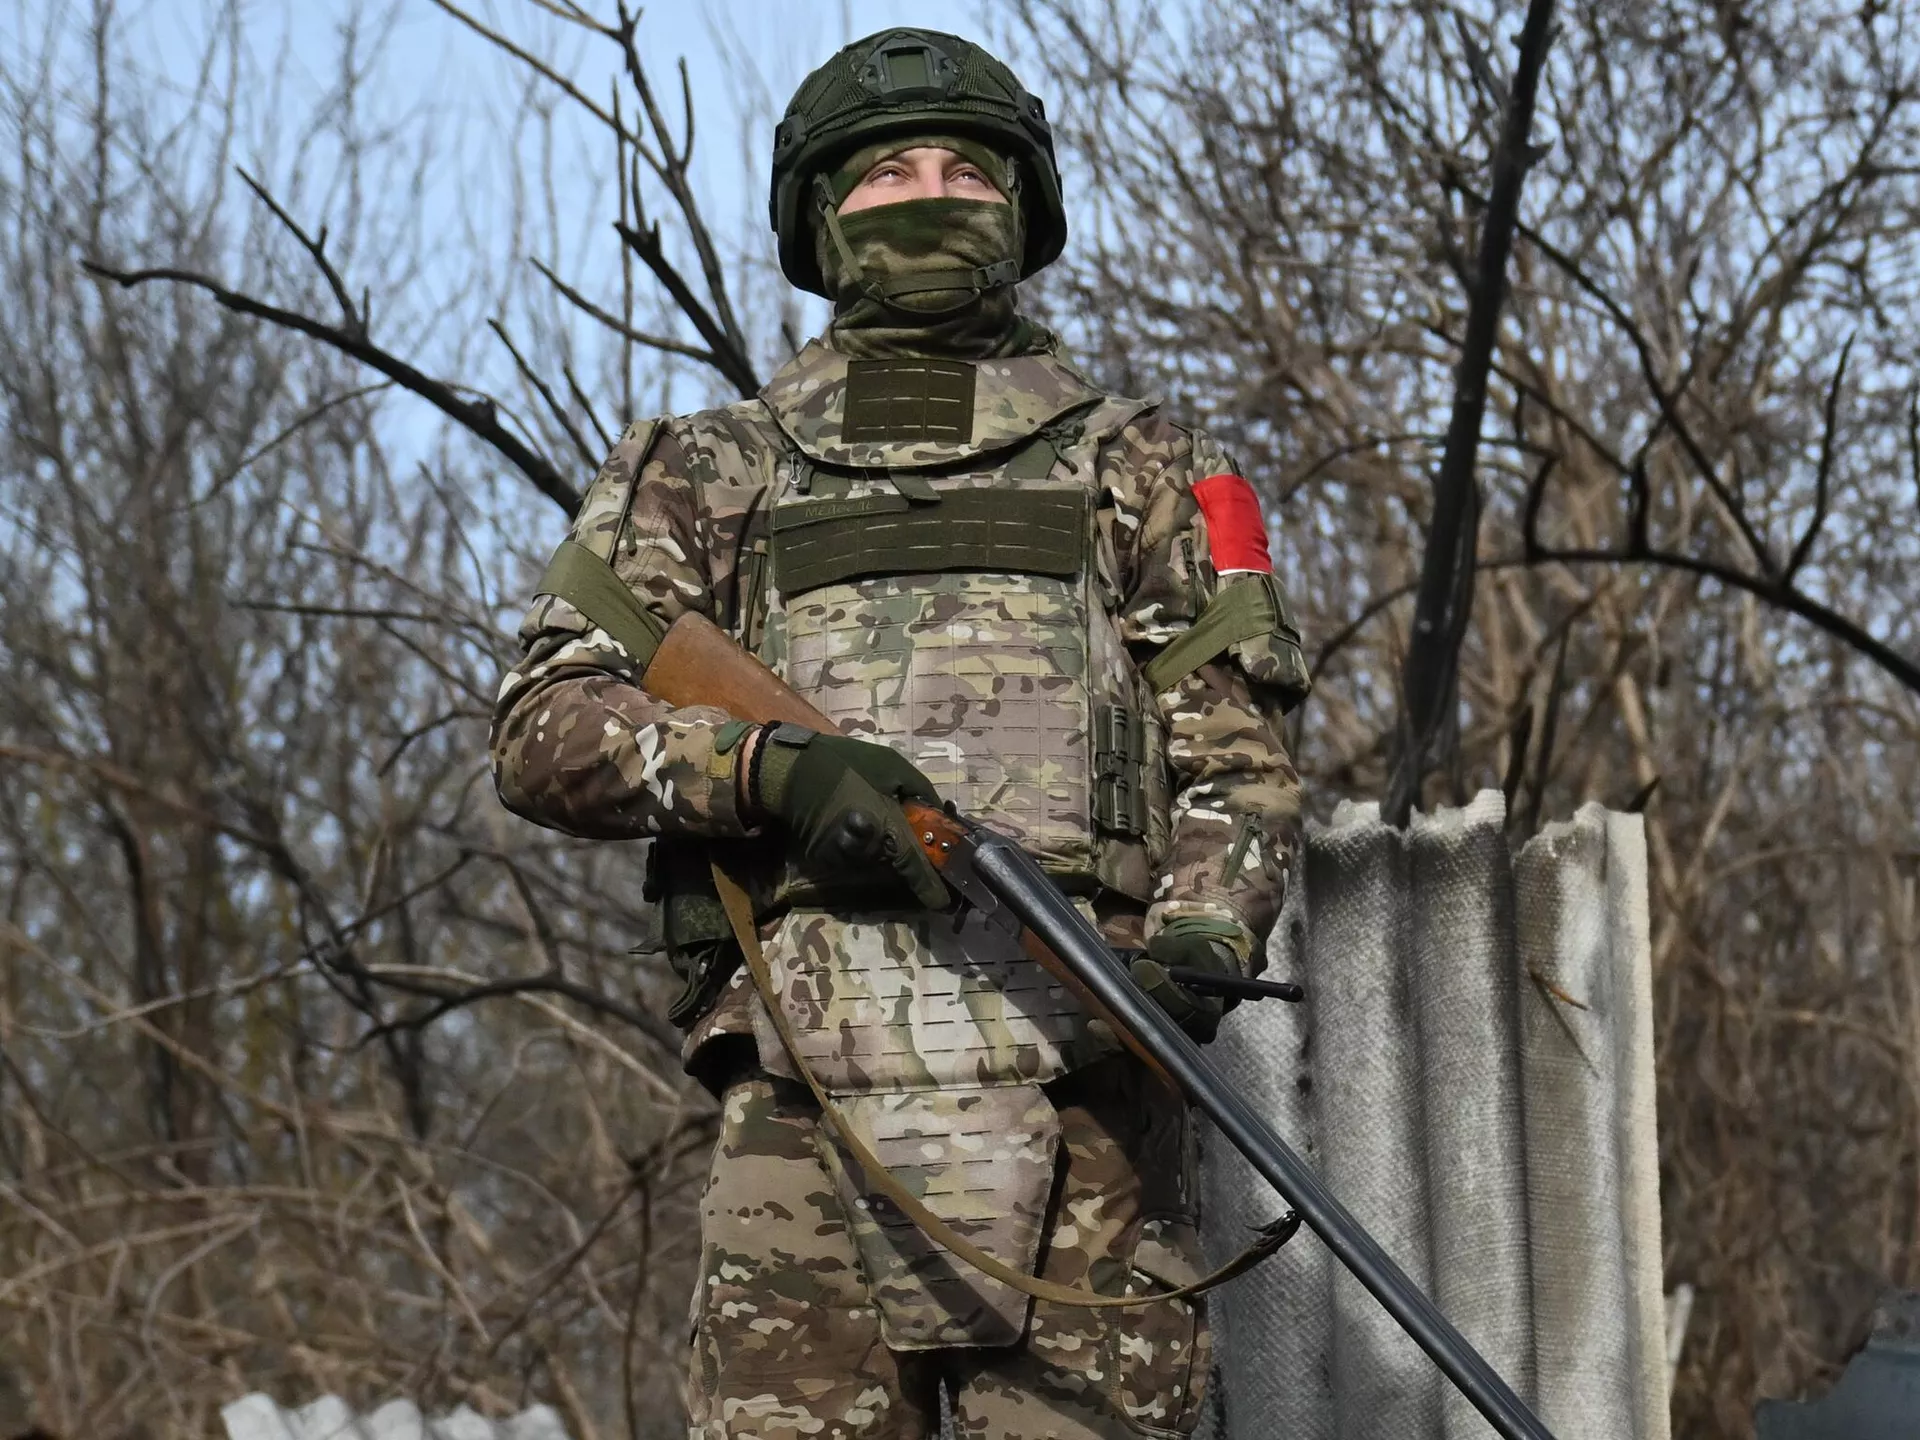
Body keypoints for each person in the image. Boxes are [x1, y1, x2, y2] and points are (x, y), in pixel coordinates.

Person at [491, 27, 1310, 1440]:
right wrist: (770, 769)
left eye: (961, 171)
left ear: (1020, 208)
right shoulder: (705, 471)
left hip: (1087, 1082)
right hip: (802, 1091)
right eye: (885, 175)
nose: (927, 199)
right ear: (822, 215)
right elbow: (544, 727)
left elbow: (1237, 755)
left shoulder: (1146, 464)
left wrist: (1200, 939)